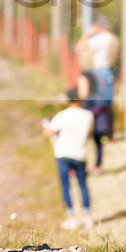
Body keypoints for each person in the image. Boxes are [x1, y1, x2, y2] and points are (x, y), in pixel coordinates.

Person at [43, 88, 94, 230]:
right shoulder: (88, 115)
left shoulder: (61, 115)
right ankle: (88, 216)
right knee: (82, 184)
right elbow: (88, 133)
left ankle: (71, 218)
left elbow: (48, 133)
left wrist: (45, 124)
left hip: (63, 153)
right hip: (80, 153)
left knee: (65, 185)